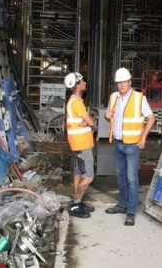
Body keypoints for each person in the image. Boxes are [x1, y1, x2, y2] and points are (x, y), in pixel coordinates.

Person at [104, 68, 155, 226]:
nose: (122, 85)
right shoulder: (113, 97)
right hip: (118, 143)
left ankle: (131, 212)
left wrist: (143, 136)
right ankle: (122, 204)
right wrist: (107, 115)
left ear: (130, 82)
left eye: (124, 82)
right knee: (120, 177)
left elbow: (151, 118)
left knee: (132, 179)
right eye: (119, 83)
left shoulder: (139, 98)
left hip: (132, 145)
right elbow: (109, 115)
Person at [64, 72, 96, 218]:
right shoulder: (77, 102)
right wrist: (89, 120)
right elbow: (90, 122)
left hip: (76, 144)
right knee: (88, 176)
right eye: (82, 81)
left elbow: (82, 121)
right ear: (77, 86)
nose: (84, 83)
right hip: (82, 144)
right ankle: (76, 204)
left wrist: (85, 121)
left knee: (77, 173)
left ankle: (77, 203)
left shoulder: (72, 100)